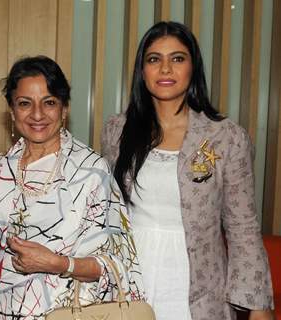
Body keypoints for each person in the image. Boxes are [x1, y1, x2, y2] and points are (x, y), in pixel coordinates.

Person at [101, 21, 273, 320]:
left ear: (193, 68)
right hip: (128, 278)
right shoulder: (117, 130)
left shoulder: (226, 137)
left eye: (177, 58)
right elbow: (105, 211)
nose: (165, 69)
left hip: (197, 285)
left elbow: (242, 225)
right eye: (154, 59)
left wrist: (258, 305)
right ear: (142, 70)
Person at [0, 56, 144, 320]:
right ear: (12, 112)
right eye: (25, 103)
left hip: (65, 314)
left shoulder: (91, 172)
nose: (37, 114)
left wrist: (57, 263)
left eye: (49, 102)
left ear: (64, 109)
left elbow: (120, 266)